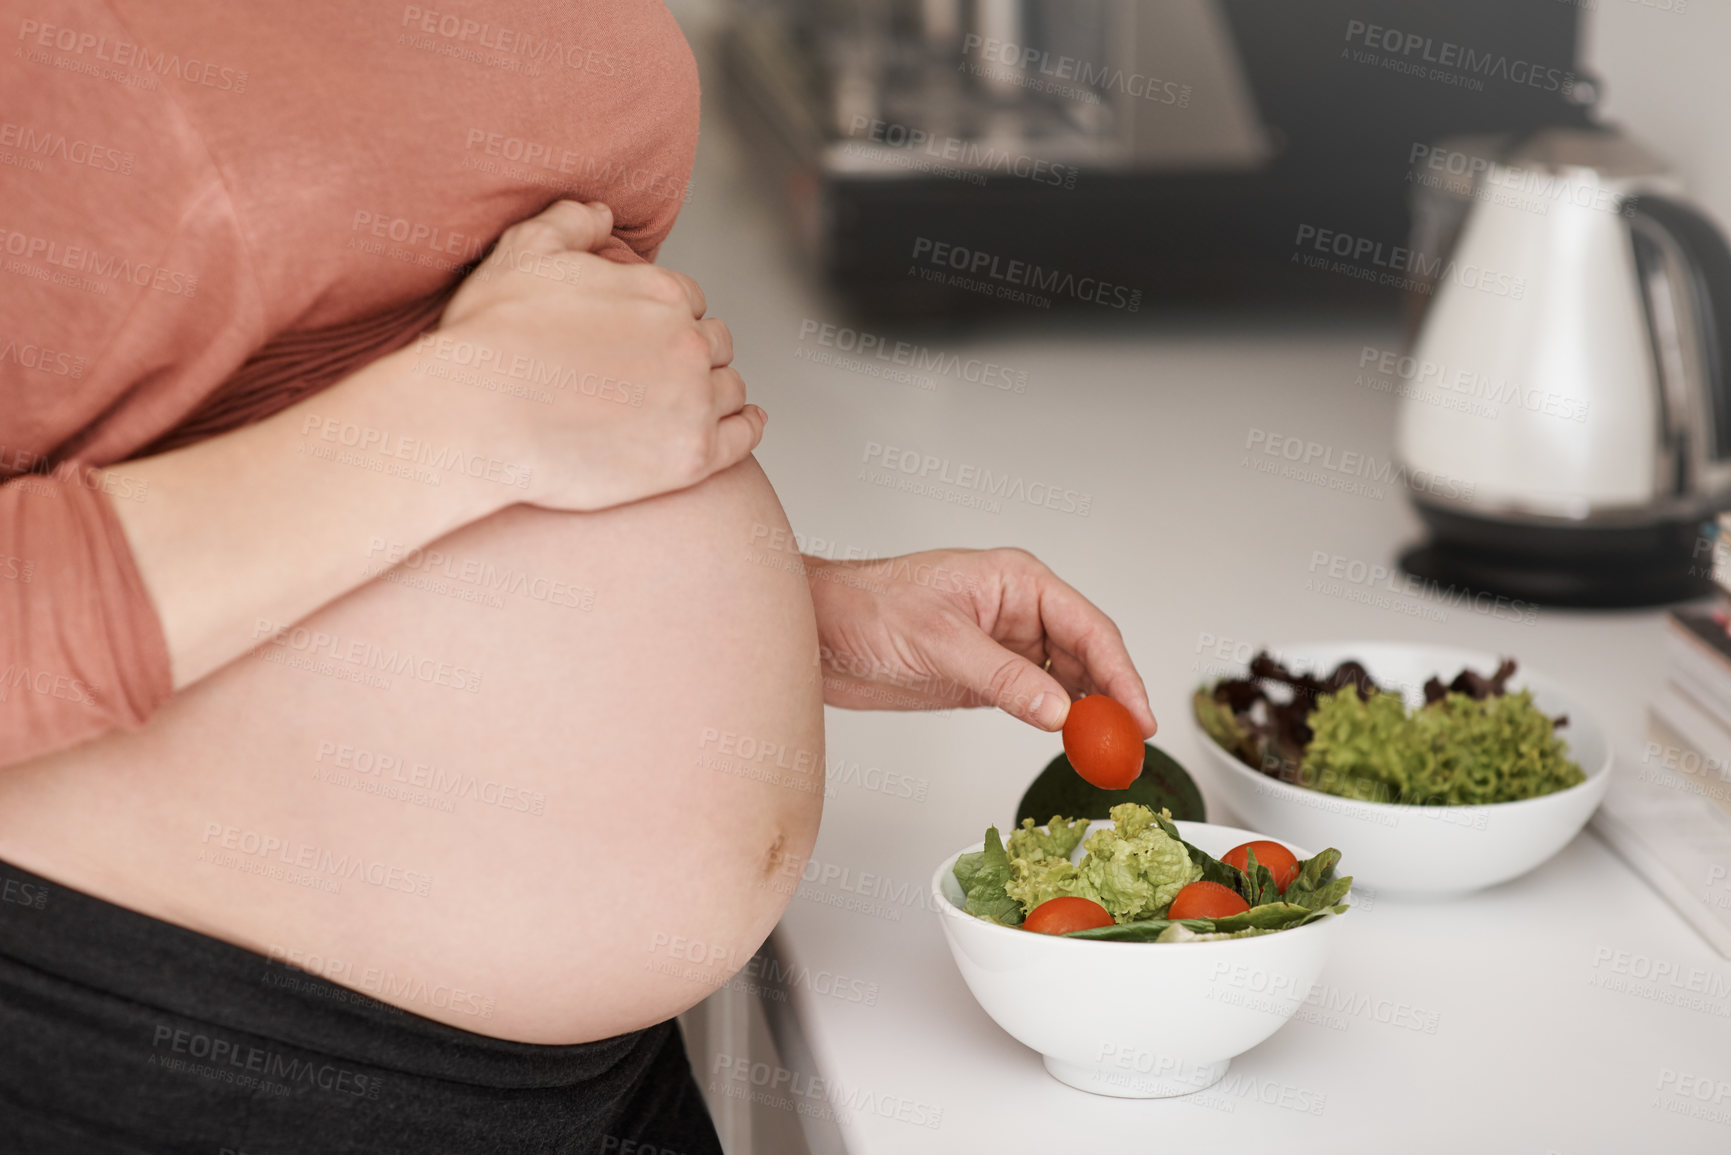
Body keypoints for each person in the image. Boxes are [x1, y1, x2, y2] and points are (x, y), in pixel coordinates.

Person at [0, 2, 1156, 1150]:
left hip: (597, 1074)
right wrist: (471, 413)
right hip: (172, 1041)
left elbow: (333, 347)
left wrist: (755, 618)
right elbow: (464, 397)